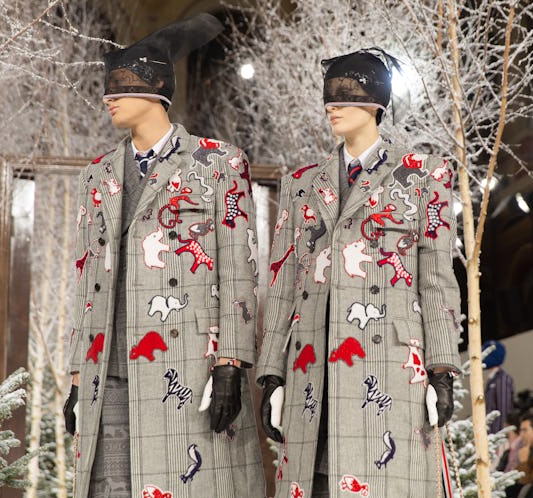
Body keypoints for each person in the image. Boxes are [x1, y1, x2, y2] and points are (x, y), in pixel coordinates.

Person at [62, 14, 264, 498]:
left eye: (122, 86)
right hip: (106, 367)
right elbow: (84, 277)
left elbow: (241, 266)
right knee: (110, 488)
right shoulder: (96, 175)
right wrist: (74, 373)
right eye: (108, 87)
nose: (108, 97)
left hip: (187, 363)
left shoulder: (218, 164)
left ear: (156, 90)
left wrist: (231, 364)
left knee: (187, 483)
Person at [255, 48, 463, 497]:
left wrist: (441, 370)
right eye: (329, 96)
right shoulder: (301, 184)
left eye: (345, 95)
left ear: (376, 104)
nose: (332, 106)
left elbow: (437, 280)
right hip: (313, 376)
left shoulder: (424, 176)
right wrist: (272, 372)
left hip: (388, 372)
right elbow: (283, 282)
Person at [483, 340, 515, 434]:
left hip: (498, 435)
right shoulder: (492, 379)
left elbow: (503, 410)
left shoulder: (502, 379)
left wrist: (499, 435)